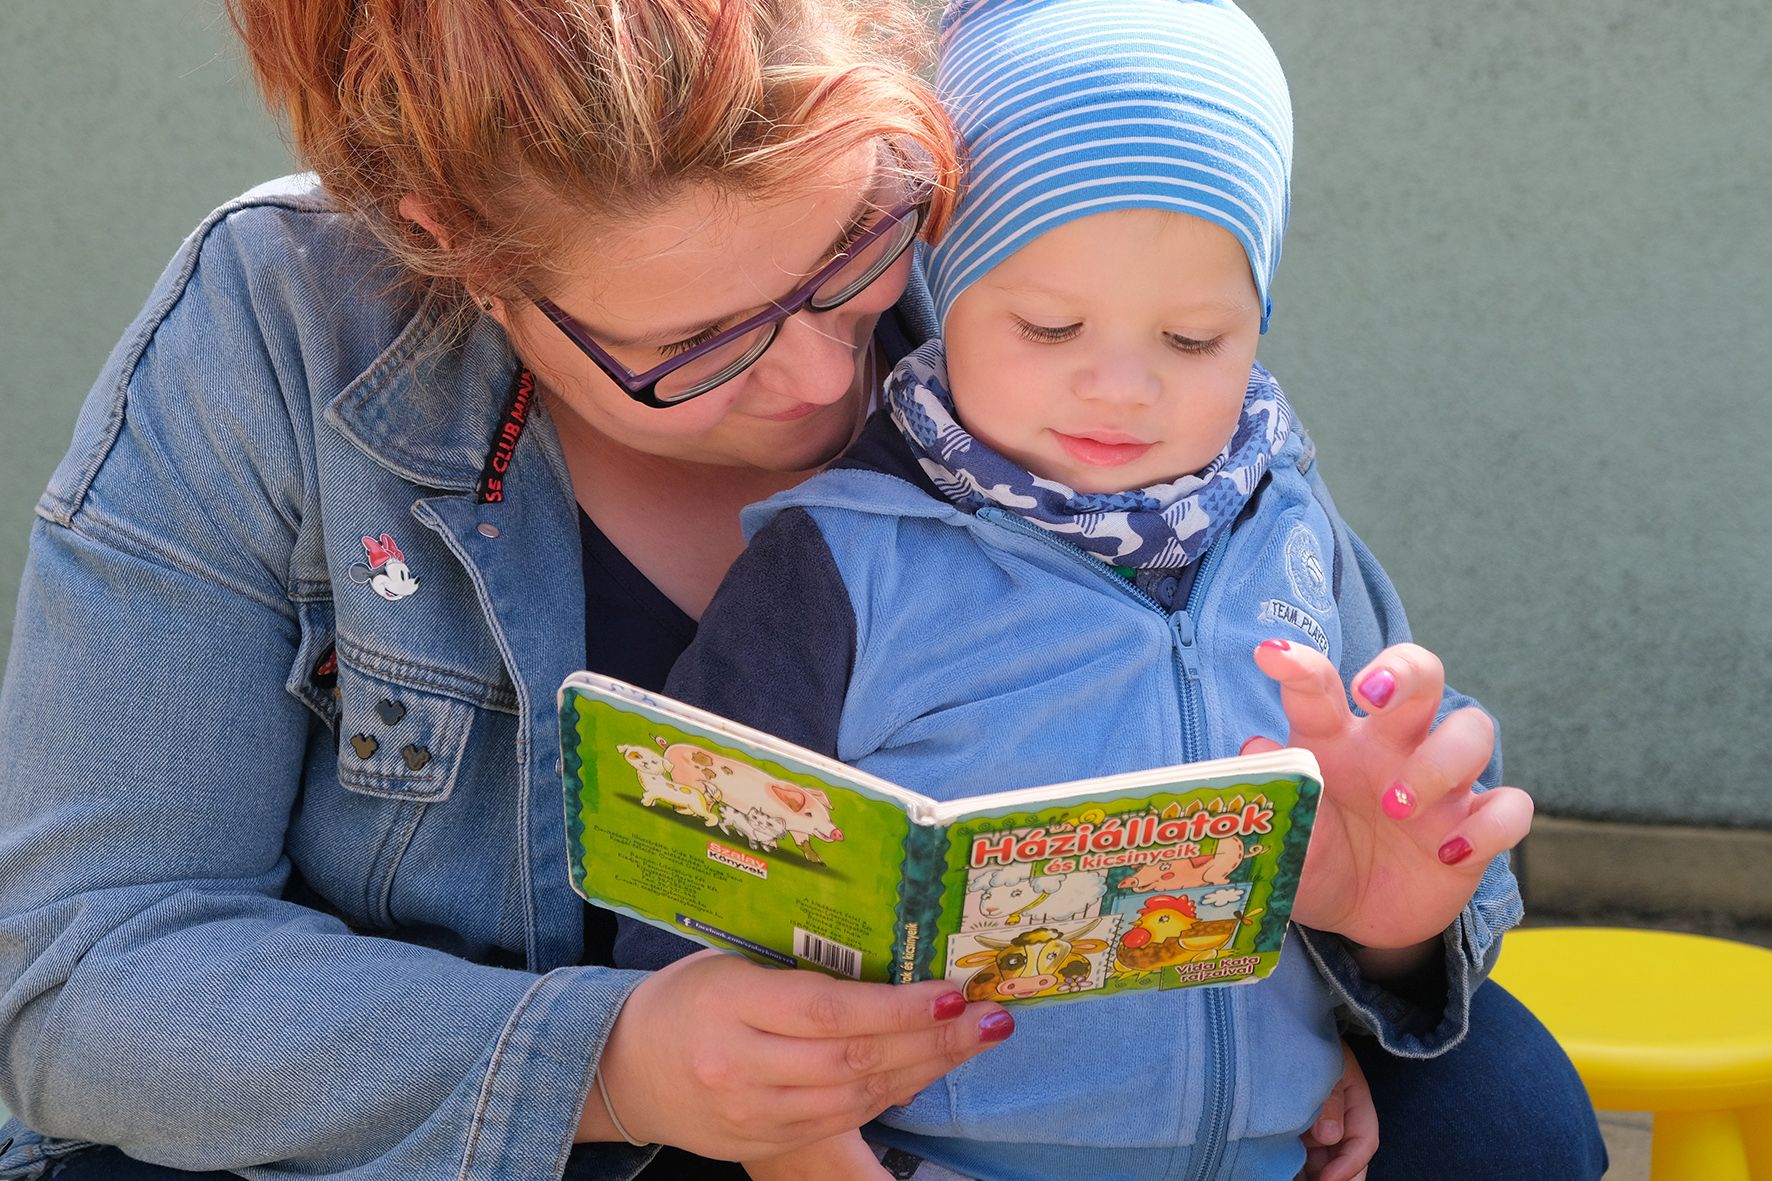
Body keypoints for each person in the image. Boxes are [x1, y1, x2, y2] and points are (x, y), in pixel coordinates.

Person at [0, 1, 1604, 1180]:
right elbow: (86, 970)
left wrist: (1376, 942)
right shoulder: (276, 335)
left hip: (1010, 1094)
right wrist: (607, 1063)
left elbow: (1337, 740)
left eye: (856, 255)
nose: (831, 368)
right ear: (446, 242)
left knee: (1511, 1121)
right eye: (698, 342)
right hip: (490, 1113)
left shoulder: (1024, 240)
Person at [612, 1, 1608, 1179]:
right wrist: (797, 1145)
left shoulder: (1284, 522)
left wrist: (1382, 954)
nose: (1120, 389)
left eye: (1193, 340)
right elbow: (686, 895)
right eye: (1047, 324)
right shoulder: (835, 563)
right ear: (940, 286)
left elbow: (1396, 849)